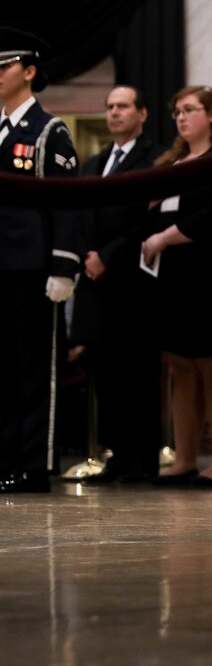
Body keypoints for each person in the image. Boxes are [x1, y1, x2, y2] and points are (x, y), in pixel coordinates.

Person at [142, 85, 212, 487]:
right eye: (176, 112)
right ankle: (184, 459)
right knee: (180, 367)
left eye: (189, 110)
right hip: (175, 277)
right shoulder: (172, 163)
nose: (181, 118)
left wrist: (163, 237)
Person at [70, 85, 166, 483]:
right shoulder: (94, 163)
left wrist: (107, 256)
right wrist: (88, 255)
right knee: (106, 375)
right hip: (96, 284)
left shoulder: (156, 158)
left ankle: (143, 458)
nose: (114, 113)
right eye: (109, 107)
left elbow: (147, 223)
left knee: (138, 374)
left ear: (142, 114)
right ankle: (117, 455)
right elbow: (76, 216)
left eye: (122, 106)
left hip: (133, 282)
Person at [0, 28, 80, 493]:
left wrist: (63, 266)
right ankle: (6, 456)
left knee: (36, 369)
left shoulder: (50, 131)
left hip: (32, 267)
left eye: (4, 66)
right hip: (1, 266)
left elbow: (65, 205)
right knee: (5, 369)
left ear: (29, 71)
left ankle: (34, 463)